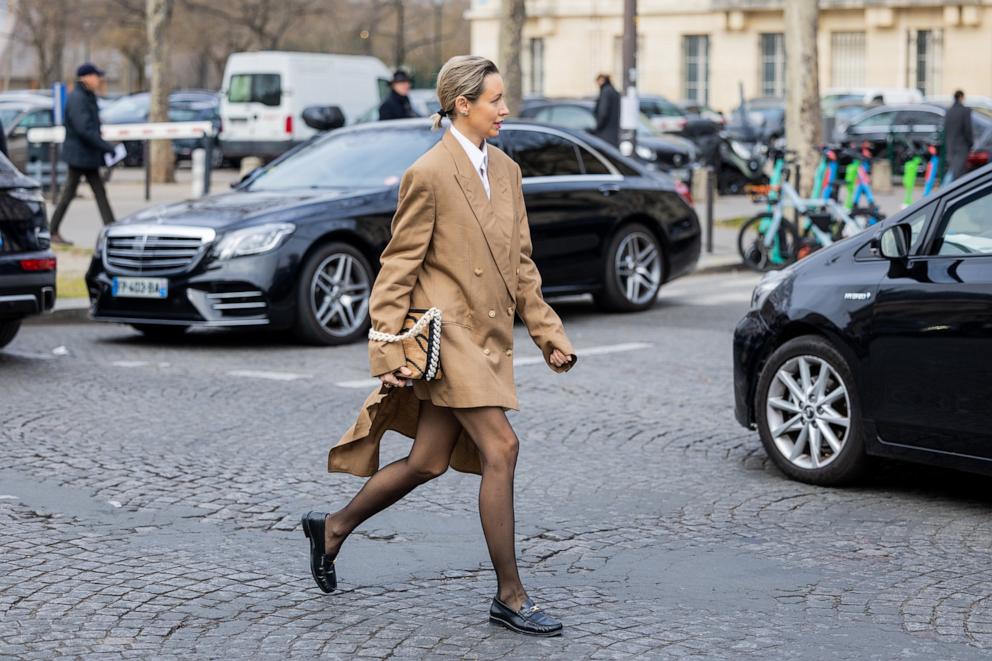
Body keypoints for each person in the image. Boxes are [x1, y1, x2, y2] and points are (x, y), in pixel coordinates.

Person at [302, 55, 577, 637]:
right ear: (462, 105)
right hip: (448, 338)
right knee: (502, 447)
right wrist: (388, 351)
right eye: (495, 100)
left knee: (427, 461)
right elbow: (396, 268)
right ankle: (510, 594)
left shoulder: (506, 171)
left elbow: (521, 265)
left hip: (489, 336)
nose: (505, 109)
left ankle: (331, 527)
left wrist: (548, 333)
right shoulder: (428, 172)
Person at [48, 63, 118, 245]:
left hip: (86, 155)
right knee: (71, 194)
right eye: (96, 76)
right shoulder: (79, 98)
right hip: (80, 156)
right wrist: (106, 147)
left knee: (97, 193)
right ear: (85, 77)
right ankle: (51, 230)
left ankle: (112, 229)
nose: (98, 79)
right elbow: (84, 129)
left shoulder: (85, 96)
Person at [943, 89, 974, 187]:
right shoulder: (965, 111)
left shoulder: (949, 111)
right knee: (958, 173)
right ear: (961, 97)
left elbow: (945, 129)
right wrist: (971, 143)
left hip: (950, 146)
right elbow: (968, 129)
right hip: (962, 146)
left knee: (953, 170)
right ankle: (945, 190)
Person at [593, 73, 621, 147]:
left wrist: (597, 127)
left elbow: (603, 113)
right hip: (614, 132)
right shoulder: (614, 91)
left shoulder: (605, 92)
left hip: (605, 133)